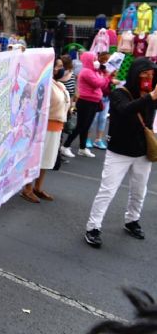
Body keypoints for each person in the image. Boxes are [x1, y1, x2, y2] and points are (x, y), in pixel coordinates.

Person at [84, 58, 157, 248]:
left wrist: (150, 97)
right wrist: (149, 98)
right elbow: (125, 110)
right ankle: (93, 227)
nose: (149, 78)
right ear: (135, 74)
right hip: (119, 152)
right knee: (107, 190)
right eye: (145, 74)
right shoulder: (119, 93)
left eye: (152, 74)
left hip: (142, 153)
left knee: (139, 190)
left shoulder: (151, 94)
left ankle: (132, 220)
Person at [20, 58, 71, 203]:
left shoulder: (59, 85)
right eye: (57, 66)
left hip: (57, 127)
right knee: (36, 158)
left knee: (47, 160)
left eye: (61, 66)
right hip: (44, 126)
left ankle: (38, 187)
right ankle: (27, 188)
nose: (60, 69)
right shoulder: (43, 84)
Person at [60, 51, 109, 159]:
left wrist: (104, 76)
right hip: (86, 102)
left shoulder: (95, 71)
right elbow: (98, 84)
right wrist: (106, 76)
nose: (96, 61)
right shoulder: (87, 72)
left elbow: (103, 85)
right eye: (94, 59)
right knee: (81, 125)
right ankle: (66, 146)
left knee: (86, 126)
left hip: (93, 101)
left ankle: (82, 148)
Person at [86, 52, 121, 150]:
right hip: (97, 97)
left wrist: (113, 77)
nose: (108, 63)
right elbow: (100, 82)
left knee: (103, 119)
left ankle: (98, 140)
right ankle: (87, 139)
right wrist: (110, 78)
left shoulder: (110, 71)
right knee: (94, 118)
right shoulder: (97, 70)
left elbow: (110, 81)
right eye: (106, 60)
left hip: (107, 97)